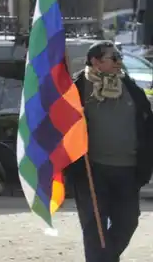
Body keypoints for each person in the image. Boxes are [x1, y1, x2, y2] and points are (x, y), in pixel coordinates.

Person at [67, 41, 153, 262]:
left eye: (119, 57)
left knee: (128, 221)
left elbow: (146, 122)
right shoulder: (77, 90)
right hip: (91, 170)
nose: (119, 62)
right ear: (95, 61)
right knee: (93, 226)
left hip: (128, 170)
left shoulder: (130, 87)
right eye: (113, 58)